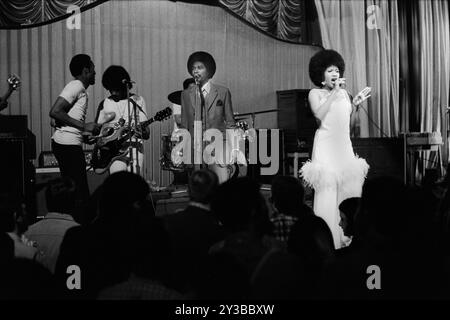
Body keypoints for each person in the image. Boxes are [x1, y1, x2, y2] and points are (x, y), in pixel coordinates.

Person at [299, 49, 371, 249]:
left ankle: (348, 237)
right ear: (321, 75)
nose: (335, 73)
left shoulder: (345, 95)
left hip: (343, 145)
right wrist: (334, 93)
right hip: (325, 145)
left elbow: (350, 125)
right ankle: (327, 240)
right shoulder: (315, 93)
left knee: (349, 188)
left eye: (337, 70)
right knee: (328, 190)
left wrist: (355, 105)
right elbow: (319, 115)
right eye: (330, 70)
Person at [179, 51, 237, 183]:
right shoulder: (185, 94)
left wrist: (233, 150)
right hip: (195, 147)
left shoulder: (223, 92)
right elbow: (184, 124)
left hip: (218, 146)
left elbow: (230, 123)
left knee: (221, 187)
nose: (196, 71)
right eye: (193, 68)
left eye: (200, 67)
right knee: (200, 189)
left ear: (209, 70)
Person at [49, 54, 99, 205]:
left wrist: (83, 135)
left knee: (75, 191)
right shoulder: (76, 86)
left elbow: (55, 121)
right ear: (85, 71)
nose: (95, 73)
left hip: (67, 145)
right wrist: (84, 126)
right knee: (80, 193)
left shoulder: (79, 88)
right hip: (68, 147)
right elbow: (55, 112)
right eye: (93, 69)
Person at [95, 65, 149, 175]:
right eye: (110, 89)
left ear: (124, 85)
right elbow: (96, 131)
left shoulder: (138, 100)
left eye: (116, 89)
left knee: (135, 185)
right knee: (118, 184)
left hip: (135, 148)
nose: (113, 93)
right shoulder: (105, 103)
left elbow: (147, 133)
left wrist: (142, 132)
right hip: (114, 152)